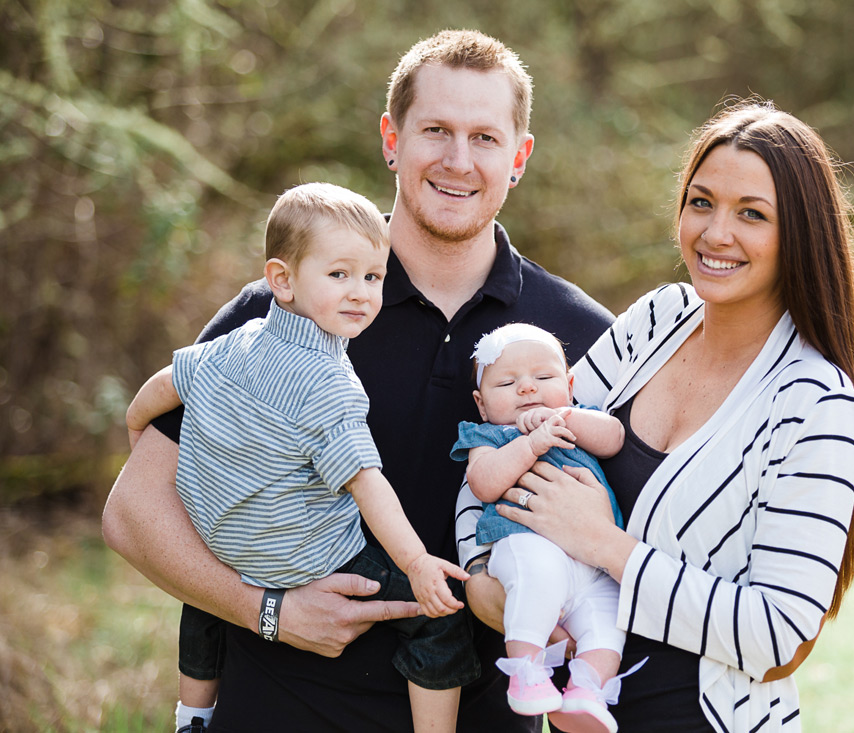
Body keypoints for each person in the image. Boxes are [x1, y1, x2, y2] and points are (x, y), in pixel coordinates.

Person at [101, 29, 613, 732]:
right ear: (391, 139)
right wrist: (268, 611)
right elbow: (132, 510)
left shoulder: (577, 334)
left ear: (519, 156)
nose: (458, 161)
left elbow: (628, 546)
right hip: (277, 712)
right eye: (435, 130)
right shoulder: (283, 308)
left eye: (485, 138)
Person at [456, 98, 854, 732]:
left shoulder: (814, 401)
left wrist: (605, 545)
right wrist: (486, 576)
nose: (715, 233)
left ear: (800, 235)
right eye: (701, 202)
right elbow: (499, 444)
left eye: (752, 214)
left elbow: (776, 636)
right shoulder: (657, 321)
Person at [124, 182, 478, 733]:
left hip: (223, 542)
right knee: (438, 623)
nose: (361, 292)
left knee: (204, 597)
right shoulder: (331, 383)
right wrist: (415, 563)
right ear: (281, 280)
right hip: (302, 558)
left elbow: (165, 385)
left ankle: (192, 716)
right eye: (339, 275)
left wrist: (132, 427)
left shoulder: (236, 341)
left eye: (373, 276)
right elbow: (367, 482)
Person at [449, 323, 636, 733]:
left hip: (594, 561)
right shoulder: (489, 434)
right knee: (539, 576)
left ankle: (588, 689)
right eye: (508, 382)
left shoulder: (576, 420)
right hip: (526, 542)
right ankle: (527, 673)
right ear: (482, 404)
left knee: (609, 616)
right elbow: (483, 481)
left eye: (544, 378)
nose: (527, 389)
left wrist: (563, 416)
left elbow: (615, 437)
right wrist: (530, 443)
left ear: (568, 384)